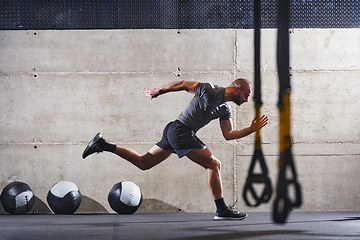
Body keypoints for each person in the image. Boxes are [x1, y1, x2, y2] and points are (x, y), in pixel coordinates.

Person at [82, 78, 268, 220]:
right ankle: (221, 210)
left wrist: (251, 130)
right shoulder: (209, 90)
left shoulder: (225, 109)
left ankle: (103, 144)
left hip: (176, 131)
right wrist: (159, 91)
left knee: (143, 162)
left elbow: (228, 134)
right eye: (246, 94)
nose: (246, 99)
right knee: (214, 164)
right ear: (237, 88)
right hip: (180, 130)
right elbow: (182, 84)